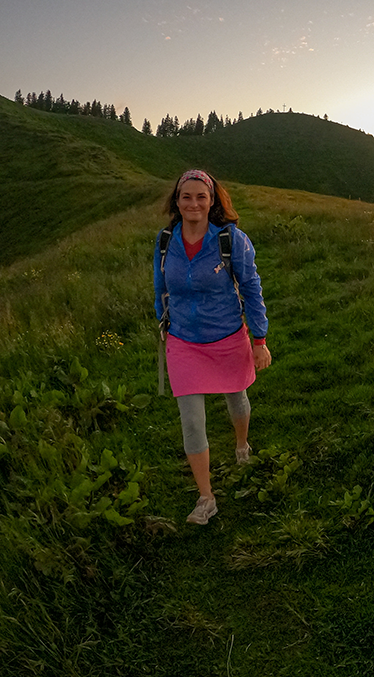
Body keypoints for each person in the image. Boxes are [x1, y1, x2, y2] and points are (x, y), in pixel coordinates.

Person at [153, 169, 271, 525]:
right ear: (176, 201)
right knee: (191, 421)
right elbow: (160, 287)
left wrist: (259, 339)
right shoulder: (164, 241)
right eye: (186, 197)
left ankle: (241, 445)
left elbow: (251, 288)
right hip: (183, 342)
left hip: (227, 335)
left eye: (200, 197)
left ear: (212, 201)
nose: (193, 203)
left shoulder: (231, 240)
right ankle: (206, 497)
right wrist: (164, 323)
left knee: (236, 397)